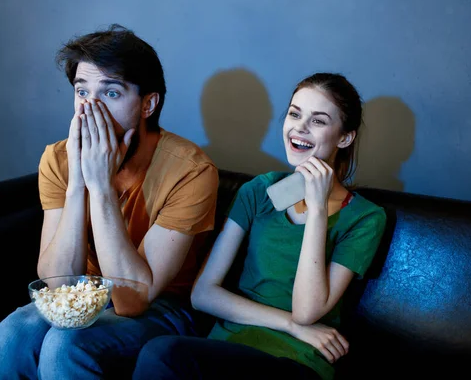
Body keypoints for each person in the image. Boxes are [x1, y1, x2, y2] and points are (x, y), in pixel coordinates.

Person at [0, 24, 219, 379]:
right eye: (81, 91)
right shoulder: (58, 158)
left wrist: (100, 187)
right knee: (9, 336)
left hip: (164, 307)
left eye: (111, 93)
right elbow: (57, 284)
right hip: (83, 293)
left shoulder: (191, 171)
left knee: (66, 344)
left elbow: (132, 301)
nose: (90, 107)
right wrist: (78, 185)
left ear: (148, 103)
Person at [131, 73, 387, 380]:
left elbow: (307, 312)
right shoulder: (260, 191)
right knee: (162, 354)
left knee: (162, 355)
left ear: (344, 137)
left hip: (295, 361)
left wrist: (318, 210)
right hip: (225, 348)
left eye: (318, 121)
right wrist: (290, 323)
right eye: (294, 114)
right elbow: (203, 294)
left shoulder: (365, 217)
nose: (300, 127)